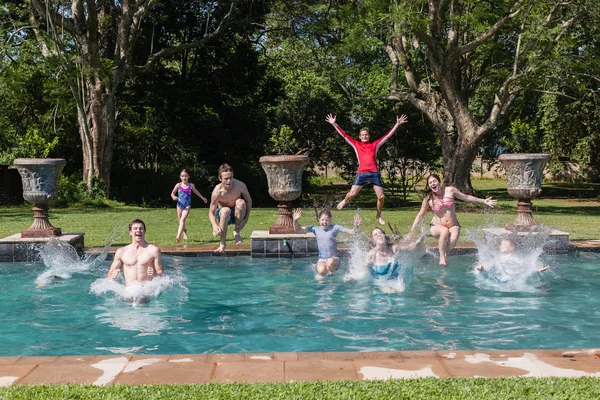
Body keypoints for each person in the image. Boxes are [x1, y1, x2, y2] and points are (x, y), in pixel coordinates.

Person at [326, 113, 408, 225]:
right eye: (362, 135)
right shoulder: (356, 144)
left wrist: (397, 124)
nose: (364, 136)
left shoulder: (375, 145)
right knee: (352, 193)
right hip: (362, 174)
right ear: (359, 136)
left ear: (369, 136)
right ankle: (344, 200)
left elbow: (387, 136)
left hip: (374, 174)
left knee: (381, 196)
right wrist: (334, 124)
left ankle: (379, 214)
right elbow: (344, 135)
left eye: (366, 135)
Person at [410, 174, 497, 267]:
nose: (432, 184)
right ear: (429, 186)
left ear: (439, 182)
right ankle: (442, 258)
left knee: (454, 237)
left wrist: (483, 201)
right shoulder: (428, 199)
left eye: (434, 181)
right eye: (430, 182)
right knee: (444, 231)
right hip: (436, 226)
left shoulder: (450, 190)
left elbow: (466, 197)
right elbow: (420, 215)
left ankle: (444, 256)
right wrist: (412, 230)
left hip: (453, 225)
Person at [293, 208, 361, 277]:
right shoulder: (315, 229)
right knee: (321, 272)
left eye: (327, 220)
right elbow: (298, 230)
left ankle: (332, 276)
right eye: (322, 220)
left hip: (333, 259)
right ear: (318, 219)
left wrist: (356, 227)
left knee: (330, 262)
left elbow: (351, 232)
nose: (324, 222)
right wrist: (295, 221)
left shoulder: (335, 228)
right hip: (322, 259)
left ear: (330, 220)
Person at [208, 164, 252, 253]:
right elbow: (211, 212)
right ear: (220, 178)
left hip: (237, 213)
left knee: (241, 202)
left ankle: (236, 231)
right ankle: (222, 244)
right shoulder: (217, 192)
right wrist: (214, 226)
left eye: (231, 178)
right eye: (226, 179)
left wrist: (246, 219)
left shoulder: (240, 185)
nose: (229, 181)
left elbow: (249, 201)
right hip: (223, 215)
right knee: (225, 210)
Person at [107, 219, 163, 286]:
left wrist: (154, 275)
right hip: (129, 291)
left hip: (145, 290)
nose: (138, 230)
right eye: (135, 228)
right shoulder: (121, 252)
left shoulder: (154, 250)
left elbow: (161, 272)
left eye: (141, 228)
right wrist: (112, 276)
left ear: (144, 231)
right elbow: (110, 272)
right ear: (130, 232)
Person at [170, 168, 208, 242]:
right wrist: (174, 197)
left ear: (188, 177)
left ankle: (178, 236)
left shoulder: (191, 185)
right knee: (180, 221)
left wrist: (203, 198)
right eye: (182, 176)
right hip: (179, 205)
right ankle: (184, 232)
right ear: (180, 177)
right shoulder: (178, 185)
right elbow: (172, 193)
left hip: (187, 205)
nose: (184, 178)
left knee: (183, 219)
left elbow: (196, 192)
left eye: (186, 176)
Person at [476, 237, 549, 275]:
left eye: (505, 245)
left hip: (513, 277)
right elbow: (490, 266)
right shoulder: (497, 257)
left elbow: (527, 266)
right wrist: (482, 270)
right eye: (502, 245)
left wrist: (537, 270)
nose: (502, 247)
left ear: (513, 247)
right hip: (500, 278)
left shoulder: (517, 257)